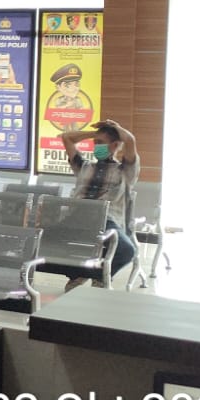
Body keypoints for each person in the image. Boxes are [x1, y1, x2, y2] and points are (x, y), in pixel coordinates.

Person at [59, 118, 140, 281]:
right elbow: (67, 137)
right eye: (95, 143)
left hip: (106, 220)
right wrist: (95, 133)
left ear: (115, 145)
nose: (97, 146)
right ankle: (79, 274)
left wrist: (116, 127)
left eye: (101, 143)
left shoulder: (125, 171)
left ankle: (97, 277)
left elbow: (130, 140)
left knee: (126, 250)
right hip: (77, 217)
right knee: (40, 242)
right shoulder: (84, 166)